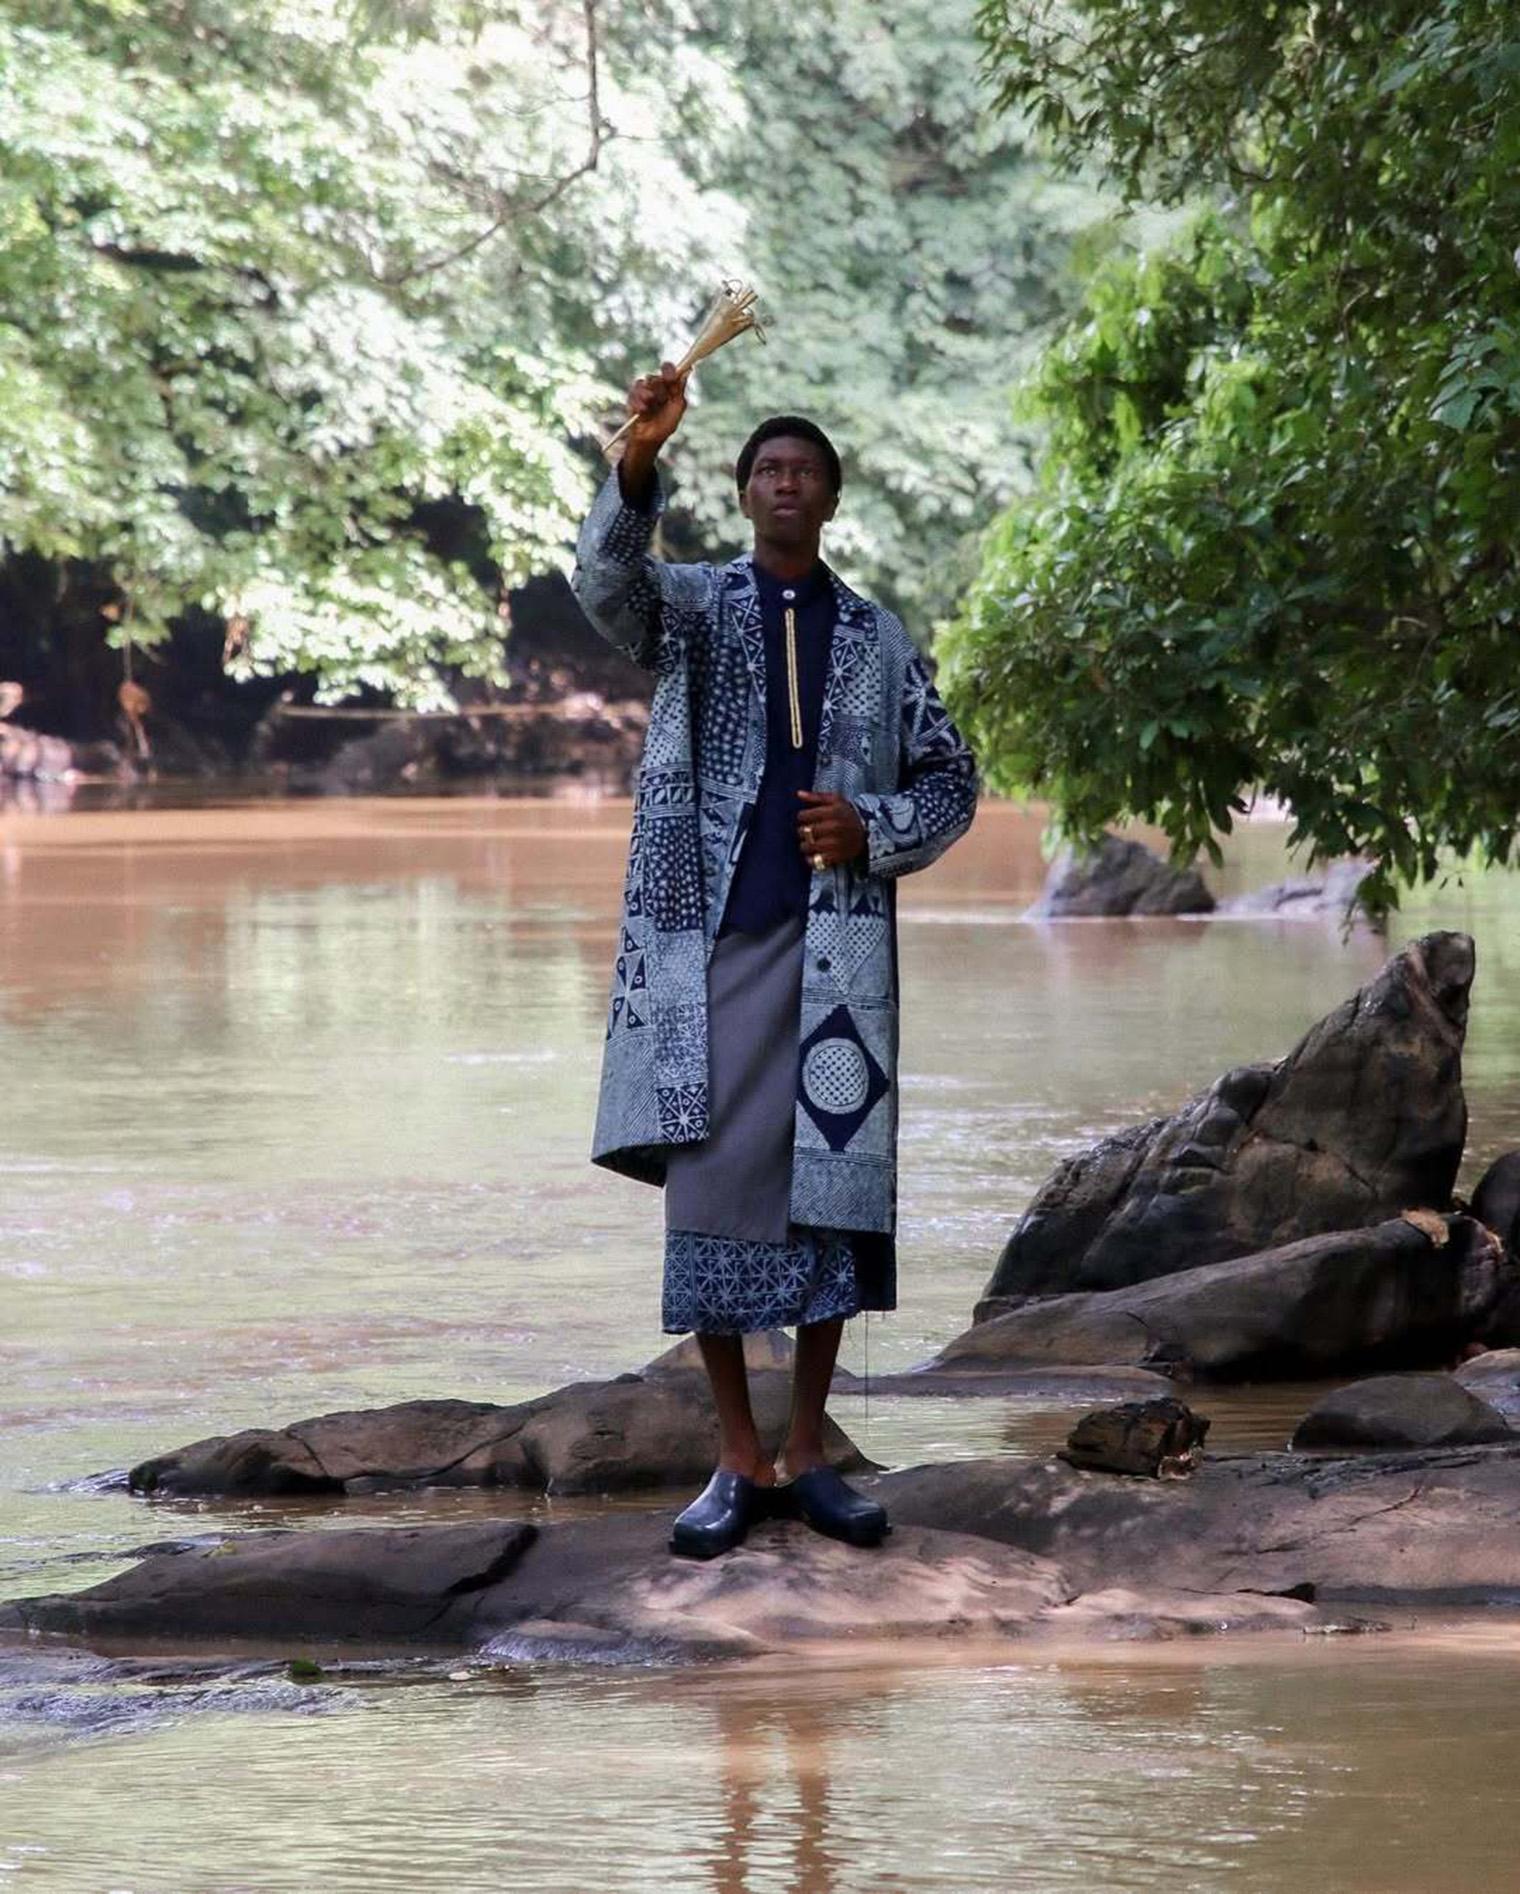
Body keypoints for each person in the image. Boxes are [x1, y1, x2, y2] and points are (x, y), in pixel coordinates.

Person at [571, 362, 978, 1559]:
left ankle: (810, 1454)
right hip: (708, 945)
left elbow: (951, 779)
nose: (782, 482)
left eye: (802, 470)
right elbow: (603, 587)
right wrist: (635, 462)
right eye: (764, 470)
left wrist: (875, 829)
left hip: (839, 954)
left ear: (831, 499)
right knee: (710, 1194)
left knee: (830, 1198)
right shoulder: (692, 607)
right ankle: (734, 1458)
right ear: (744, 496)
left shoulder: (875, 636)